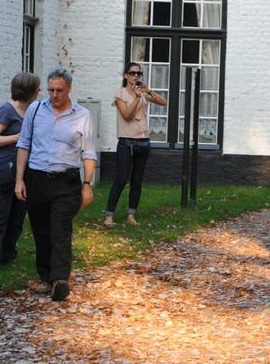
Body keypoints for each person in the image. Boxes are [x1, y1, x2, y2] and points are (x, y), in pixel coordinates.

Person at [14, 68, 97, 302]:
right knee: (41, 230)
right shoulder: (35, 110)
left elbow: (89, 153)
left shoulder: (83, 116)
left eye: (59, 90)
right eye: (51, 90)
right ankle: (46, 276)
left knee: (60, 228)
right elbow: (24, 145)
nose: (54, 95)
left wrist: (87, 184)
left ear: (69, 89)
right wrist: (19, 180)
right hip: (37, 178)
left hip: (67, 180)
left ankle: (60, 279)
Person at [0, 73, 41, 271]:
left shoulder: (31, 110)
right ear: (28, 90)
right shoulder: (7, 110)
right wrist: (17, 137)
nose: (40, 92)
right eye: (37, 88)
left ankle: (8, 256)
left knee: (17, 216)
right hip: (5, 170)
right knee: (0, 213)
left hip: (25, 170)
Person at [104, 62, 167, 227]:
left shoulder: (143, 93)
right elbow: (126, 115)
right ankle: (109, 215)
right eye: (132, 73)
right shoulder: (120, 94)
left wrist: (148, 91)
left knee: (137, 180)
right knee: (120, 179)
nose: (136, 76)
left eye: (139, 73)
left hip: (143, 142)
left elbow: (163, 102)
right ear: (126, 76)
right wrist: (137, 97)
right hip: (126, 143)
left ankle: (131, 215)